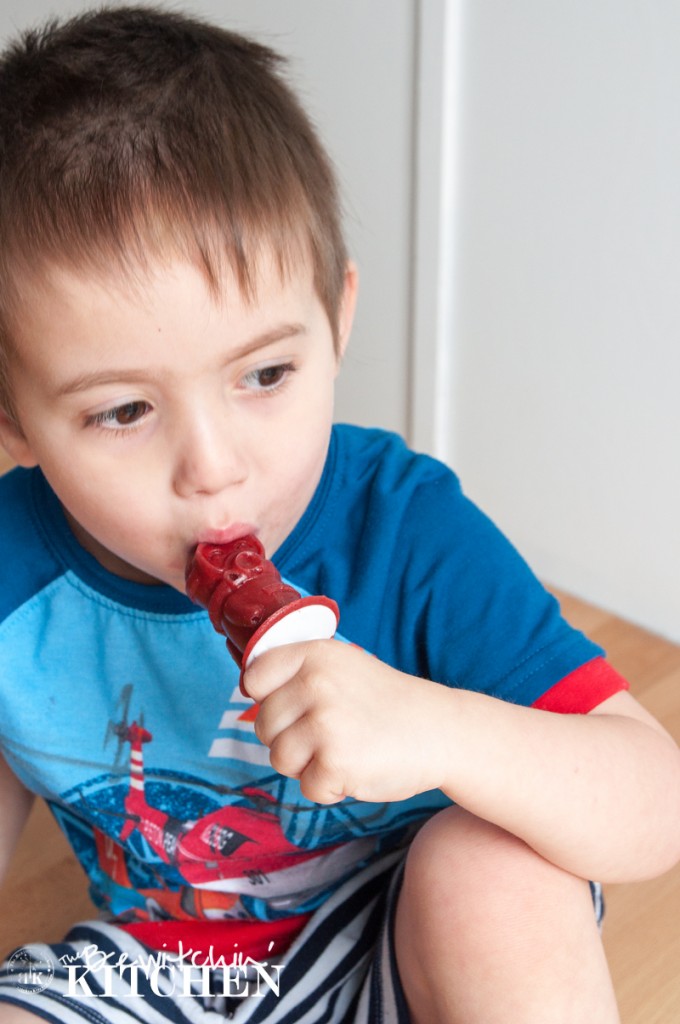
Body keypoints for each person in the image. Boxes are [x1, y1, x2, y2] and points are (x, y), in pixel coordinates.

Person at [0, 6, 677, 1023]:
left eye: (266, 373)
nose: (215, 468)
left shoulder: (401, 527)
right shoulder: (14, 576)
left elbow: (649, 802)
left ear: (338, 319)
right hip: (167, 966)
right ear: (13, 422)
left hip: (402, 940)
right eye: (123, 411)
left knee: (489, 873)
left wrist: (436, 729)